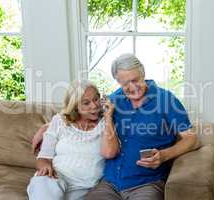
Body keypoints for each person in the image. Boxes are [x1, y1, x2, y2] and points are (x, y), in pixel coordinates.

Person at [32, 54, 198, 200]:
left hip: (146, 183)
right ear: (118, 81)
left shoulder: (167, 100)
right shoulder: (114, 100)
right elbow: (84, 111)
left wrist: (164, 155)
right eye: (125, 83)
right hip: (109, 183)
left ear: (143, 74)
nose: (132, 87)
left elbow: (191, 138)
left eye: (135, 80)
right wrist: (48, 126)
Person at [27, 80, 120, 200]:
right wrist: (44, 166)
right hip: (55, 179)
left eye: (96, 99)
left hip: (84, 188)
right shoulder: (60, 121)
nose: (94, 105)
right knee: (44, 187)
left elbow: (110, 152)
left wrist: (108, 118)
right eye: (86, 103)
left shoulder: (106, 123)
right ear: (75, 106)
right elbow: (44, 157)